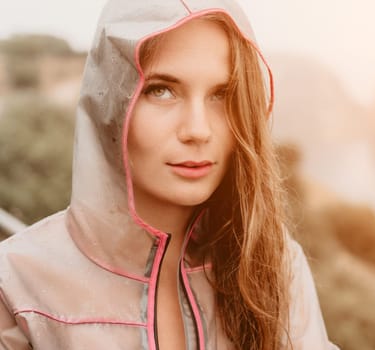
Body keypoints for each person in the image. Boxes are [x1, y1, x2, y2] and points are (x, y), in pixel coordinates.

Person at [0, 0, 338, 349]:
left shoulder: (277, 266)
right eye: (161, 90)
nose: (197, 130)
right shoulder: (15, 287)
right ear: (112, 105)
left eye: (221, 95)